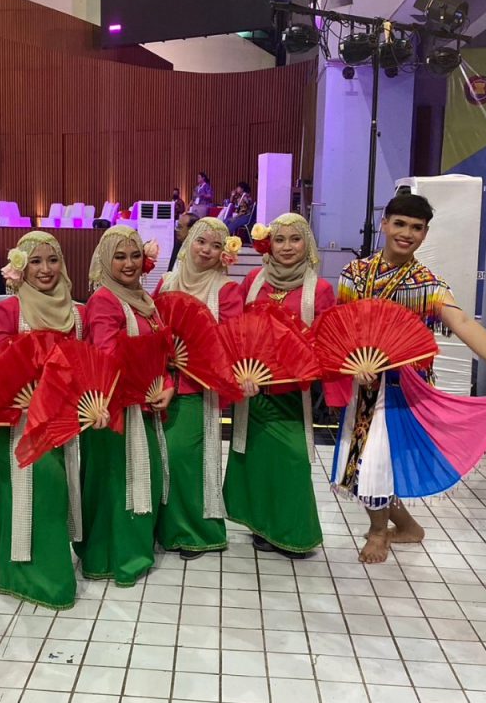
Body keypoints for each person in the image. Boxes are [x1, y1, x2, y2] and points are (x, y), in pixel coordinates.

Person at [332, 192, 486, 564]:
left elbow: (463, 322)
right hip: (362, 382)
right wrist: (351, 362)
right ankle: (407, 527)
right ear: (384, 224)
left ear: (425, 233)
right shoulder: (353, 275)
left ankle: (378, 531)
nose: (406, 233)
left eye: (416, 228)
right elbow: (341, 327)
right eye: (399, 224)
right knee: (370, 459)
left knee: (375, 460)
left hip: (404, 389)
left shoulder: (427, 284)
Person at [0, 231, 90, 609]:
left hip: (64, 422)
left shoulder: (78, 313)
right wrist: (24, 393)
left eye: (53, 260)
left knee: (58, 493)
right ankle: (36, 579)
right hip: (21, 423)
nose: (45, 269)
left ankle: (43, 571)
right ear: (21, 267)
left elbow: (87, 365)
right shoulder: (10, 312)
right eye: (35, 261)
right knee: (26, 494)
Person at [223, 213, 335, 559]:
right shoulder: (254, 280)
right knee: (256, 459)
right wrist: (239, 373)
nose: (287, 247)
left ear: (307, 244)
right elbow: (236, 331)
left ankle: (294, 534)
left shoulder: (320, 289)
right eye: (280, 239)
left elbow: (326, 341)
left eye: (295, 239)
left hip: (292, 395)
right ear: (268, 244)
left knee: (294, 459)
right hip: (252, 393)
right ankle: (261, 526)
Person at [76, 225, 174, 586]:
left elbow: (158, 354)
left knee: (139, 478)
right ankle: (111, 558)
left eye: (135, 255)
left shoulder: (143, 299)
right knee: (117, 484)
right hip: (113, 411)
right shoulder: (105, 300)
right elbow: (107, 357)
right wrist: (139, 387)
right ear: (105, 260)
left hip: (142, 406)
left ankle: (131, 550)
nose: (129, 263)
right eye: (119, 257)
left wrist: (166, 384)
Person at [154, 217, 243, 559]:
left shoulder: (226, 290)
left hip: (198, 388)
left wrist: (190, 363)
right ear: (188, 242)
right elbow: (152, 327)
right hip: (160, 384)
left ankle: (197, 532)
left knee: (186, 459)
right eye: (201, 241)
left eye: (216, 245)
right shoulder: (166, 282)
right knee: (161, 457)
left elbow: (229, 343)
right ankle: (166, 529)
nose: (206, 250)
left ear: (224, 253)